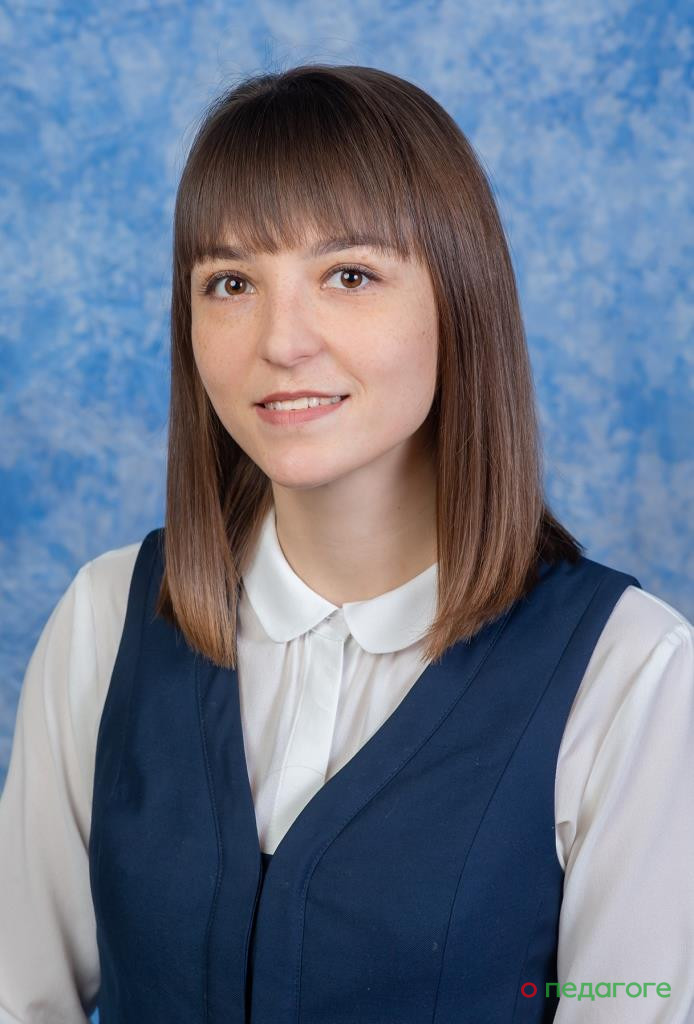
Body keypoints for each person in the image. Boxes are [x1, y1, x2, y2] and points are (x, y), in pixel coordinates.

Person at [0, 63, 692, 1024]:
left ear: (460, 299)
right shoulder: (101, 622)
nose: (282, 342)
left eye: (350, 275)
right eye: (231, 282)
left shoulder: (633, 675)